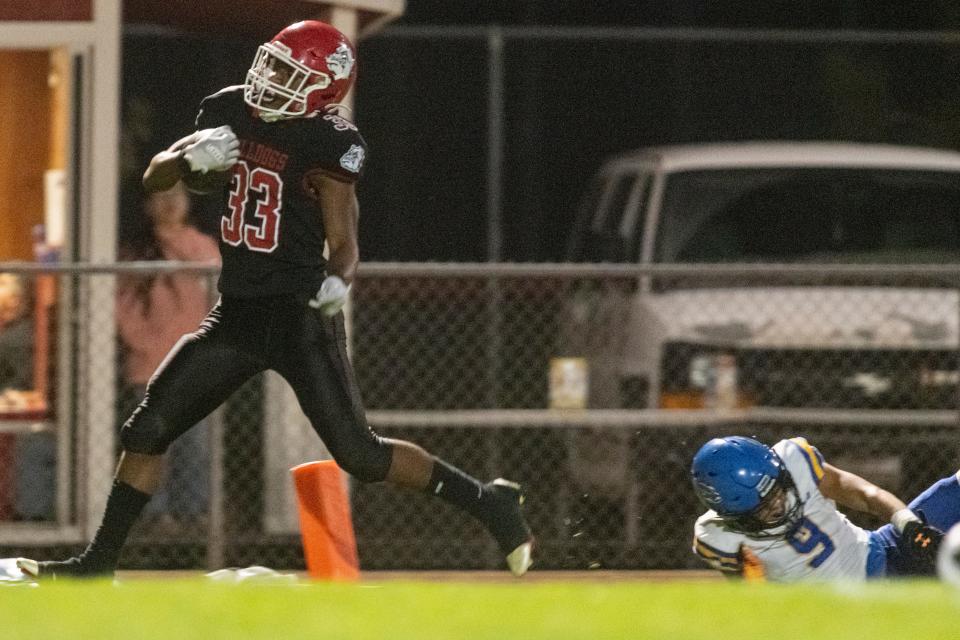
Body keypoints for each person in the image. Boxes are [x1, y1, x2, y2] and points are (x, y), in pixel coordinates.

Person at [18, 20, 532, 579]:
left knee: (360, 454)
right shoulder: (230, 108)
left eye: (289, 71)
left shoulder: (330, 144)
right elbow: (155, 180)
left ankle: (489, 501)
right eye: (273, 63)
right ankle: (98, 566)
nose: (271, 78)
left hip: (299, 318)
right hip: (235, 313)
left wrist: (339, 280)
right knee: (147, 429)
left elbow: (345, 238)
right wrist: (187, 162)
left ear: (322, 89)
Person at [689, 435, 955, 581]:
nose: (780, 505)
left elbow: (865, 494)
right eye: (765, 506)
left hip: (883, 552)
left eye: (779, 491)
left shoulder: (794, 460)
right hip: (848, 613)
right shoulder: (717, 536)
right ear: (733, 516)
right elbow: (749, 601)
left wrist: (910, 527)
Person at [115, 183, 220, 524]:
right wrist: (143, 343)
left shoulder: (199, 245)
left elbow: (210, 265)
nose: (172, 203)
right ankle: (154, 516)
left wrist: (172, 237)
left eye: (179, 195)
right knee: (153, 445)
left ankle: (193, 515)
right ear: (146, 206)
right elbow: (122, 307)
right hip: (149, 365)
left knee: (196, 445)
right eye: (162, 196)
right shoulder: (136, 253)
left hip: (193, 365)